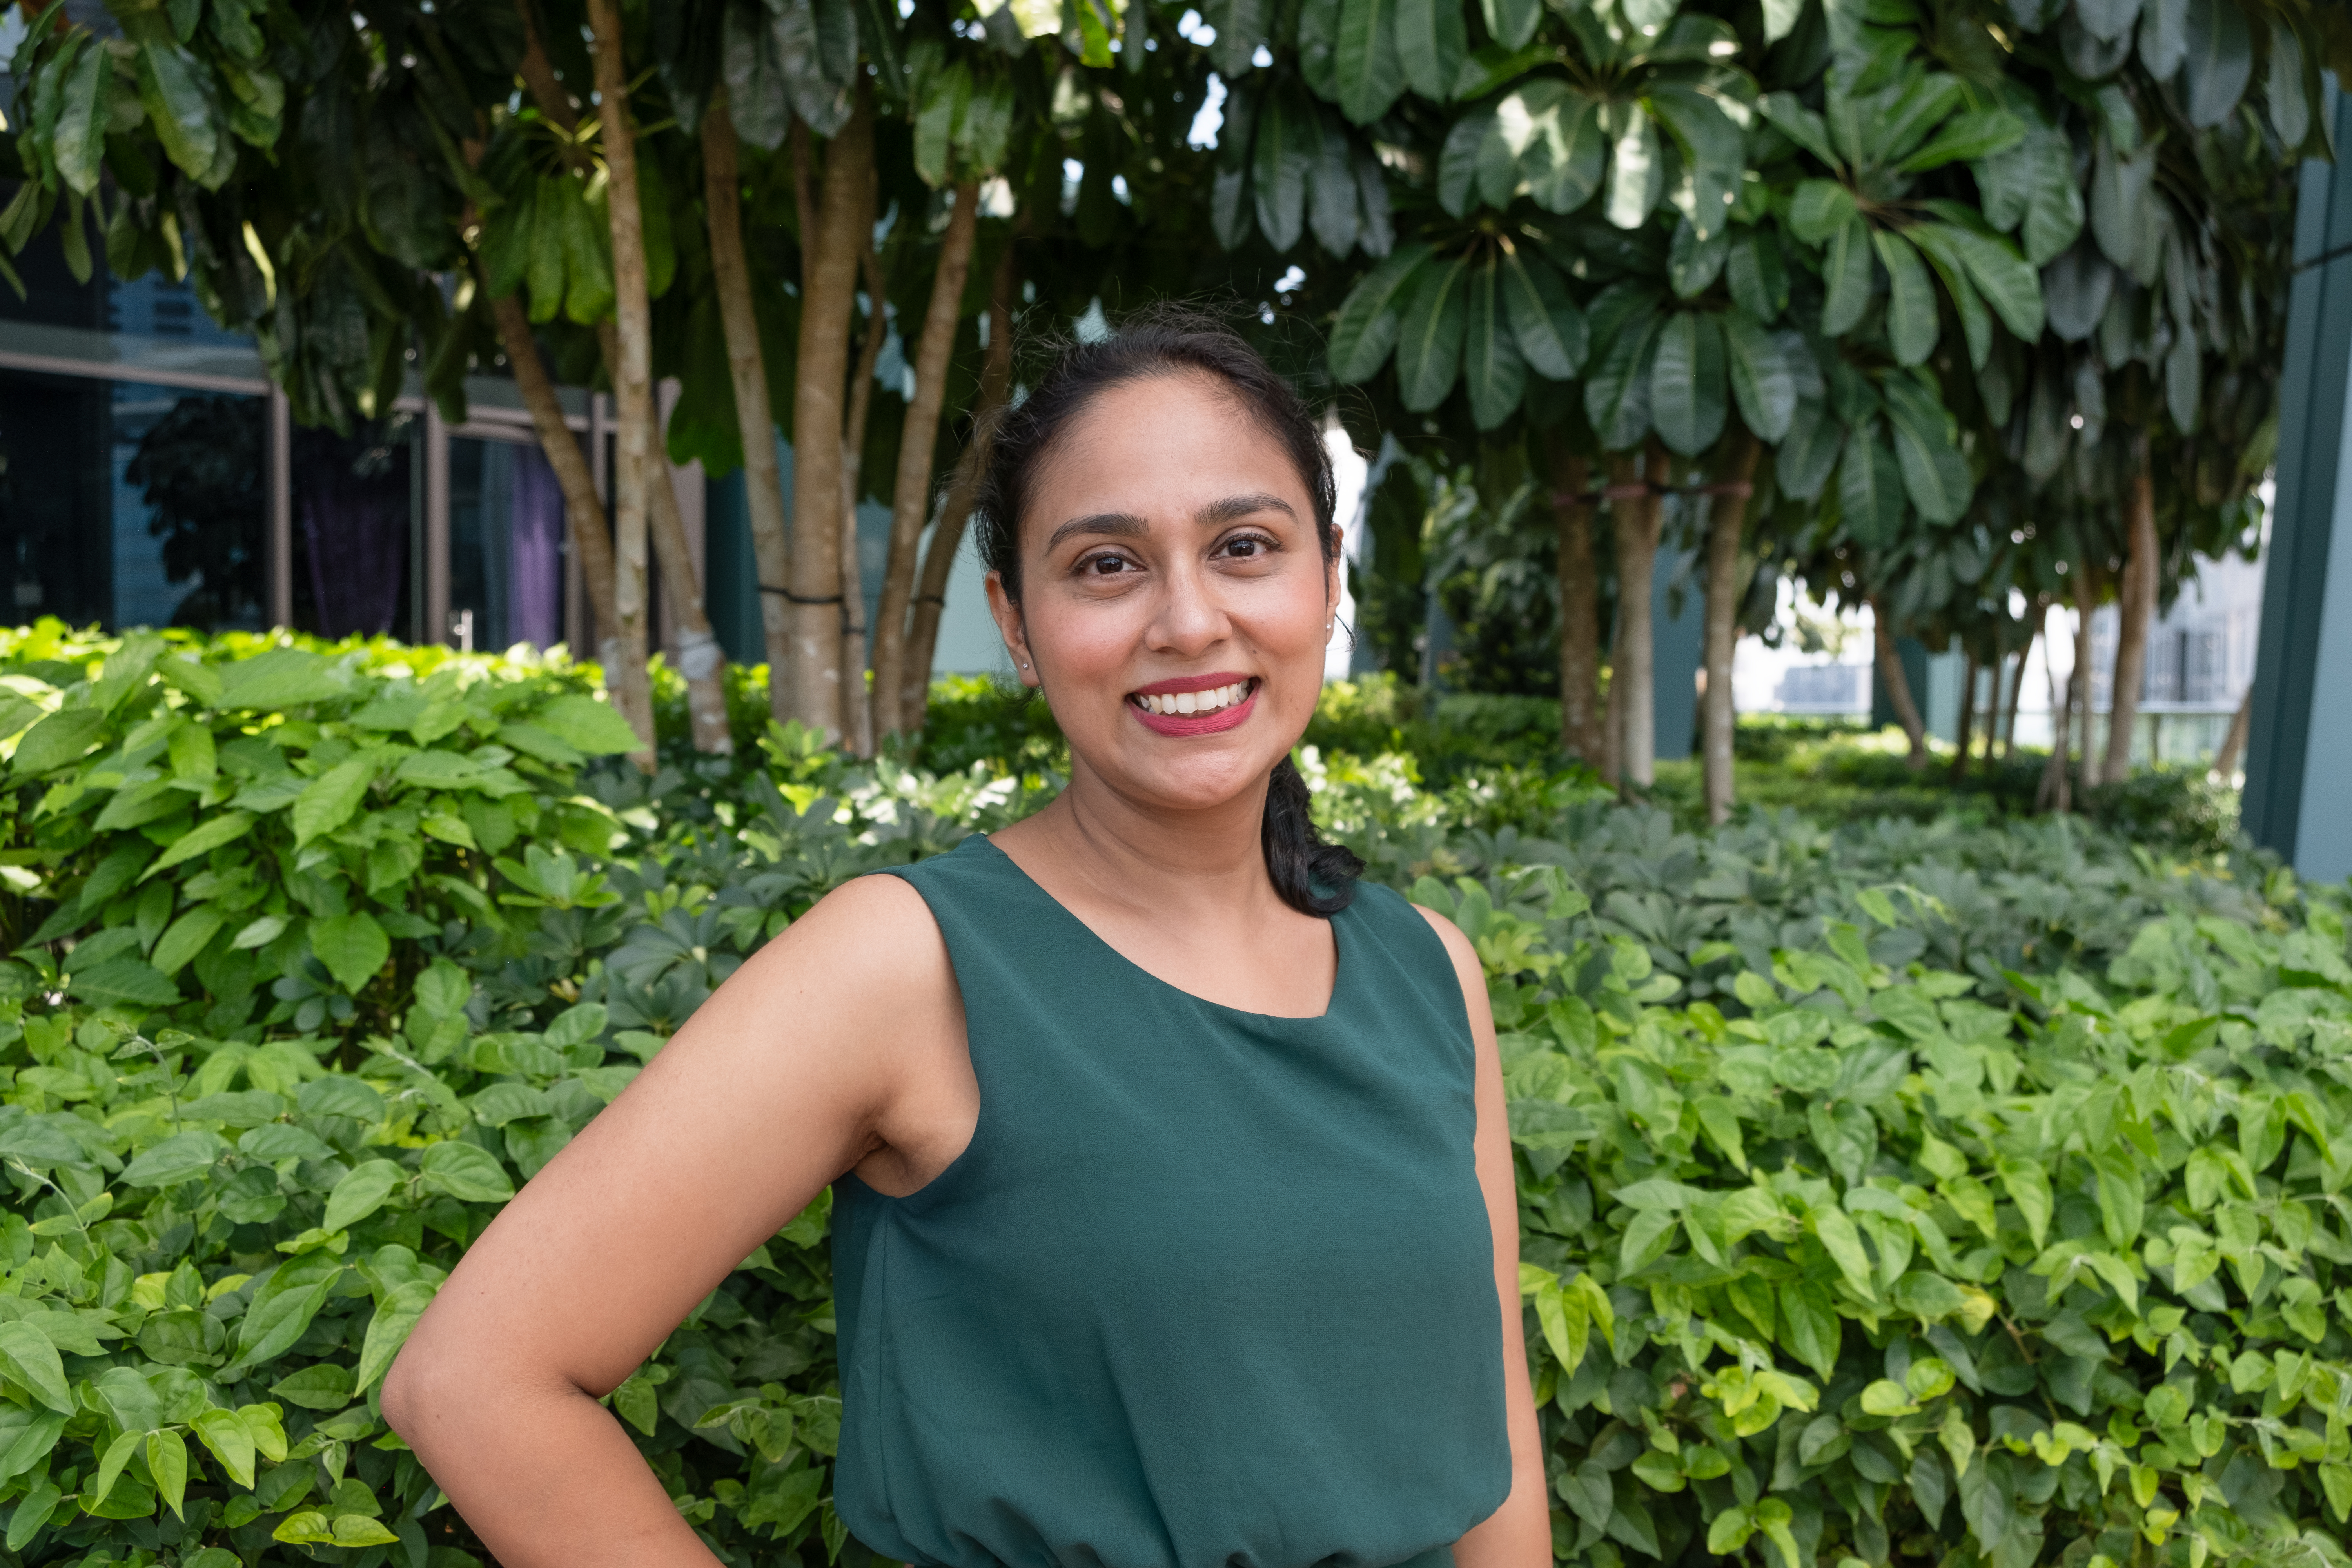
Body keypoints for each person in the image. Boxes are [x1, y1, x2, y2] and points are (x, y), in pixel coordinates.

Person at [383, 309, 1549, 1568]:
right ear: (1016, 621)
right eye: (1107, 565)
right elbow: (476, 1381)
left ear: (1327, 579)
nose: (1190, 621)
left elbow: (1491, 1452)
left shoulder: (1430, 973)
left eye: (1245, 547)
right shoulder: (906, 963)